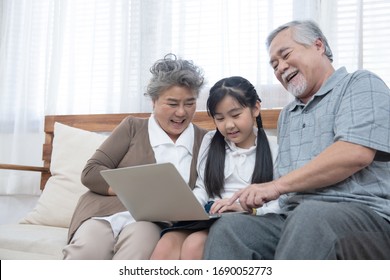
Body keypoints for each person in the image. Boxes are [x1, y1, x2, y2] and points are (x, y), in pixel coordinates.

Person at [204, 20, 390, 259]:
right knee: (230, 230)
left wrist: (275, 186)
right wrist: (249, 206)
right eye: (274, 64)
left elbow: (354, 153)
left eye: (286, 54)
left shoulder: (360, 84)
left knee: (310, 217)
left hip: (366, 217)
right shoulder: (287, 115)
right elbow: (287, 188)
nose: (281, 67)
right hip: (294, 218)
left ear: (319, 46)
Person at [62, 54, 207, 259]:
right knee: (86, 251)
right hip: (105, 214)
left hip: (151, 223)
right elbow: (90, 173)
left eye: (190, 103)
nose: (182, 112)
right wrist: (135, 192)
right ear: (154, 102)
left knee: (138, 247)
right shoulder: (132, 127)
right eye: (172, 104)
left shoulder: (204, 140)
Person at [150, 76, 280, 260]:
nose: (228, 125)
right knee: (166, 245)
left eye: (235, 115)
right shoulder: (211, 141)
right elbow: (203, 187)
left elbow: (283, 201)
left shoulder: (275, 148)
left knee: (193, 246)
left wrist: (246, 208)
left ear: (255, 109)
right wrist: (190, 205)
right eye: (219, 118)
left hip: (247, 218)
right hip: (209, 215)